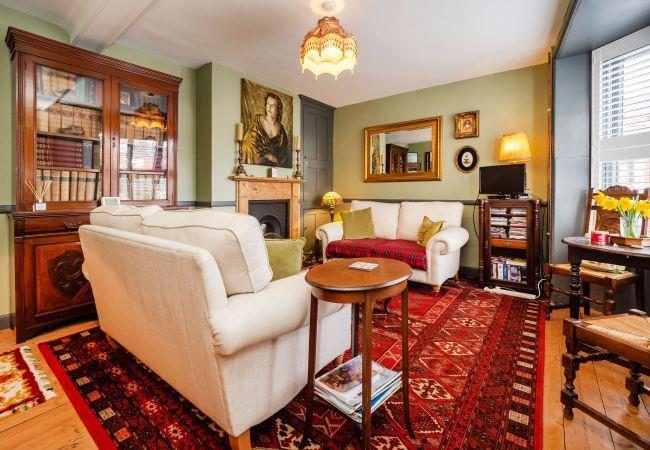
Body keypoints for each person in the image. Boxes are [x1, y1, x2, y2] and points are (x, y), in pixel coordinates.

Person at [242, 92, 290, 167]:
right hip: (255, 165)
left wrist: (276, 159)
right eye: (267, 104)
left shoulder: (281, 130)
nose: (269, 107)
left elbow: (283, 155)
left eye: (272, 105)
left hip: (274, 168)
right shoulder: (258, 121)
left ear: (278, 109)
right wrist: (266, 155)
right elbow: (249, 144)